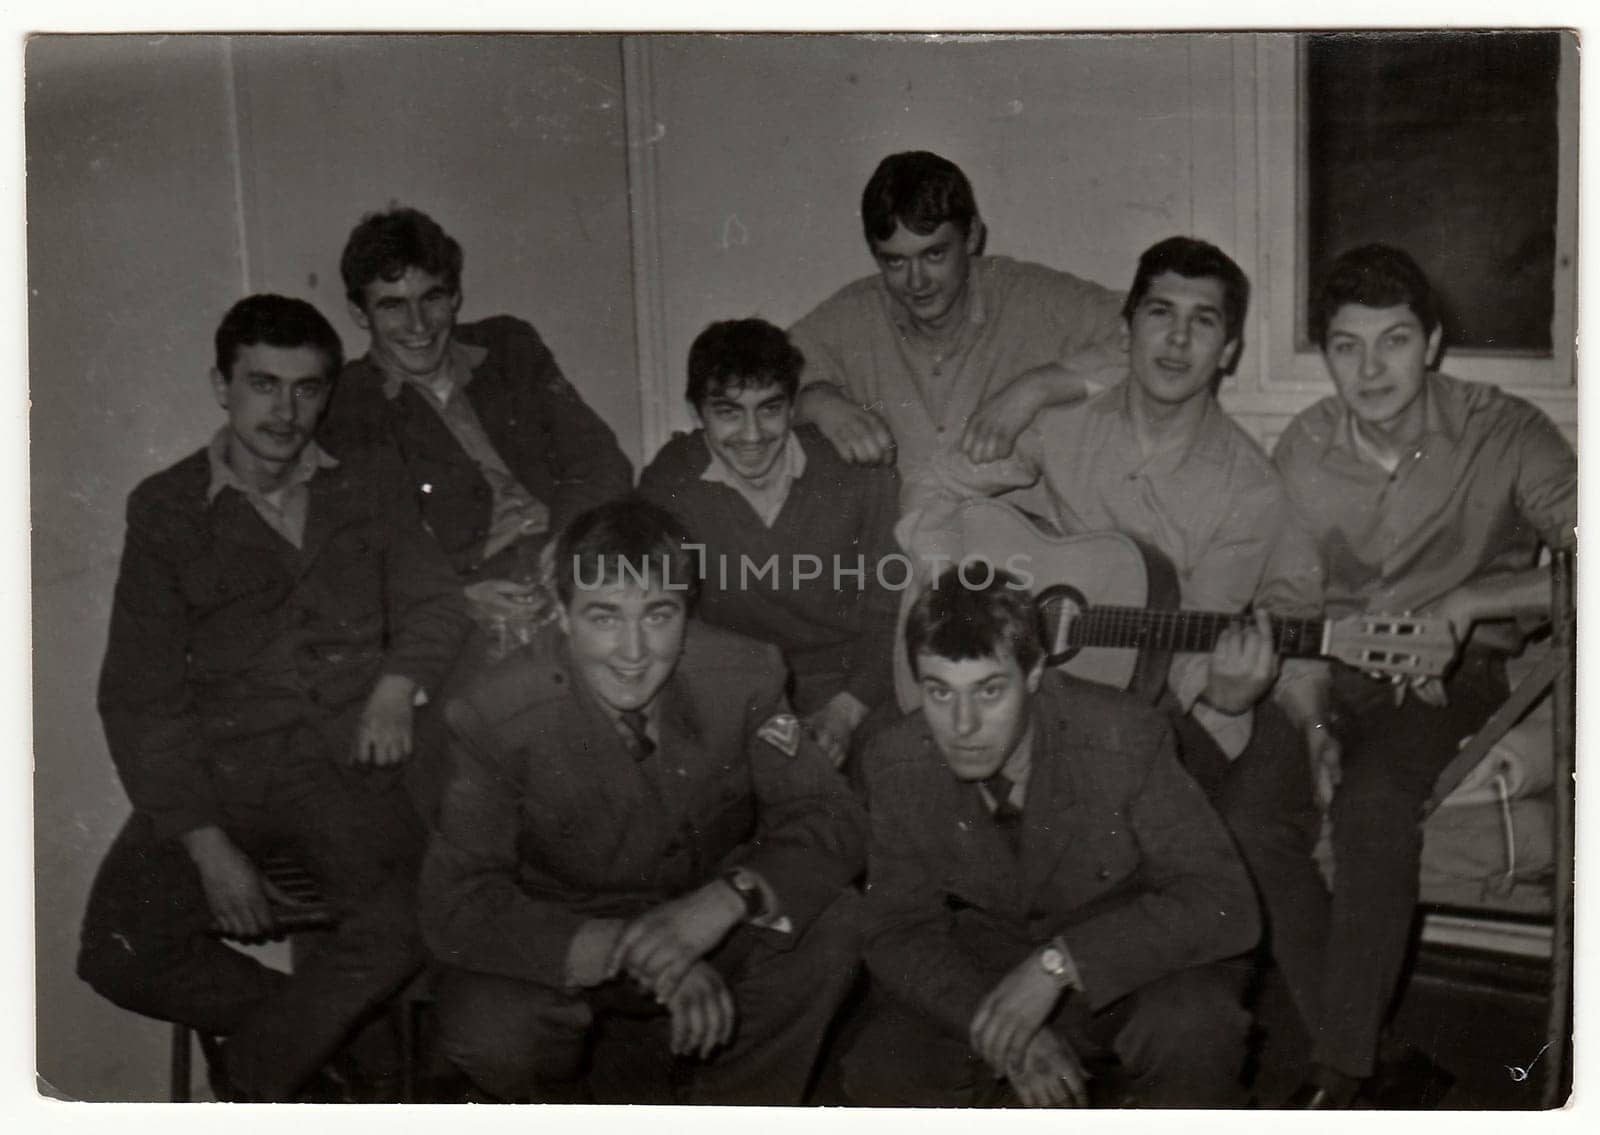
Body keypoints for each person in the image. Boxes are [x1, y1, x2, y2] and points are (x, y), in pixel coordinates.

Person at [898, 236, 1331, 1062]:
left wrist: (1231, 693)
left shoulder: (1248, 486)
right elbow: (939, 484)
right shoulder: (1059, 431)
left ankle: (1085, 990)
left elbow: (1187, 647)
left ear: (1230, 349)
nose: (1176, 340)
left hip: (1155, 717)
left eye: (1203, 323)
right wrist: (947, 580)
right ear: (1126, 327)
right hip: (1025, 697)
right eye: (1159, 314)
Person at [78, 295, 472, 1102]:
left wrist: (398, 685)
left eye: (307, 388)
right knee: (116, 952)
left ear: (328, 392)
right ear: (221, 385)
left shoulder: (371, 482)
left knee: (410, 925)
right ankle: (317, 1061)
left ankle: (262, 1071)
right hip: (219, 775)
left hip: (350, 771)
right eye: (263, 384)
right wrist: (206, 843)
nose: (286, 411)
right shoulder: (165, 509)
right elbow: (139, 696)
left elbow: (437, 603)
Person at [418, 497, 867, 1104]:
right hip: (569, 935)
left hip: (705, 916)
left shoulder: (745, 674)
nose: (633, 652)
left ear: (687, 610)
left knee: (834, 920)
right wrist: (645, 952)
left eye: (658, 615)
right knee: (490, 1029)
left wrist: (725, 901)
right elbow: (457, 904)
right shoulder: (494, 713)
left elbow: (833, 817)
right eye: (605, 617)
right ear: (563, 615)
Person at [1271, 244, 1577, 1107]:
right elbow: (1289, 602)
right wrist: (1316, 721)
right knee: (1248, 810)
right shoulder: (1303, 448)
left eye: (1394, 340)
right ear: (1325, 351)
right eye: (1345, 345)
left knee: (1373, 805)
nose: (1370, 369)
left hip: (1459, 678)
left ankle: (1338, 1073)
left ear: (1433, 342)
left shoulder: (1506, 430)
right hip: (1333, 675)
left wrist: (1476, 597)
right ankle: (1374, 1041)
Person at [842, 570, 1258, 1107]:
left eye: (989, 691)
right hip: (988, 974)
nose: (962, 725)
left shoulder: (1123, 734)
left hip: (1127, 962)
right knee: (882, 1066)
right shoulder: (896, 760)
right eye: (939, 692)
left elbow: (1223, 903)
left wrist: (1059, 965)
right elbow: (896, 930)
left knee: (1193, 1025)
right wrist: (1001, 1028)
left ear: (1035, 672)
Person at [319, 205, 633, 634]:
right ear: (360, 314)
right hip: (480, 594)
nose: (418, 325)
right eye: (393, 306)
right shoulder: (348, 404)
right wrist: (457, 597)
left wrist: (569, 539)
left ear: (455, 297)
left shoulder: (509, 346)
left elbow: (600, 459)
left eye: (432, 298)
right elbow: (367, 552)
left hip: (577, 550)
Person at [638, 318, 900, 763]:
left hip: (854, 689)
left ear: (794, 405)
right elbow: (659, 609)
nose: (753, 435)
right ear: (696, 412)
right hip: (734, 689)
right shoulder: (671, 482)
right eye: (728, 412)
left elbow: (891, 611)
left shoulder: (859, 475)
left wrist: (844, 713)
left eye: (769, 408)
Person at [789, 149, 1128, 482]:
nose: (916, 281)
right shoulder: (854, 313)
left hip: (1020, 534)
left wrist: (1035, 388)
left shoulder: (1030, 295)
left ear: (972, 237)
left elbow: (1157, 339)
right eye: (895, 261)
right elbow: (747, 377)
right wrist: (817, 402)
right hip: (898, 533)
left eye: (934, 254)